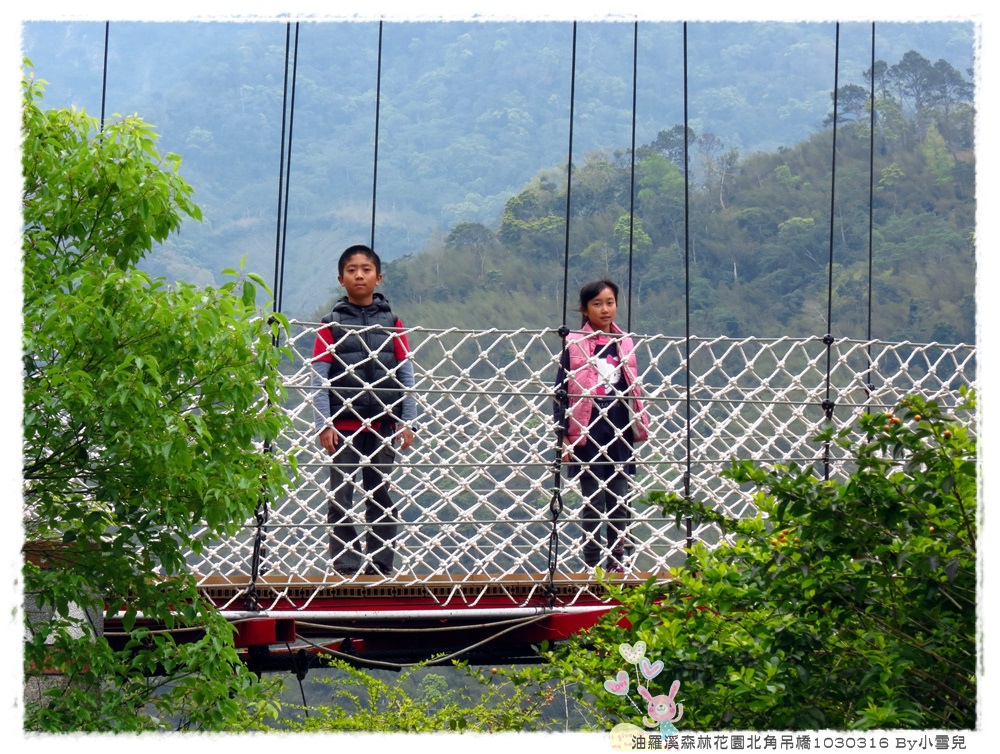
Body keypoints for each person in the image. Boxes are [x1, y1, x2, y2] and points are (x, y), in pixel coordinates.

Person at [310, 244, 416, 576]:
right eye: (352, 270)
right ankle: (346, 564)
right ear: (341, 279)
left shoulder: (393, 322)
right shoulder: (331, 324)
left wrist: (408, 421)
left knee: (380, 494)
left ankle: (381, 564)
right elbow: (318, 378)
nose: (359, 275)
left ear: (378, 277)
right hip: (343, 425)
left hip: (383, 424)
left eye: (366, 269)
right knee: (341, 495)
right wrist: (323, 424)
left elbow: (406, 373)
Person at [554, 279, 649, 572]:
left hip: (619, 427)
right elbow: (560, 392)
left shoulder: (625, 342)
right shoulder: (574, 345)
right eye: (597, 304)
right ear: (585, 309)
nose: (605, 310)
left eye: (610, 303)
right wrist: (563, 437)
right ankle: (594, 561)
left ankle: (618, 560)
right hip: (587, 429)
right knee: (593, 498)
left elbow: (632, 385)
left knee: (621, 497)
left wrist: (639, 422)